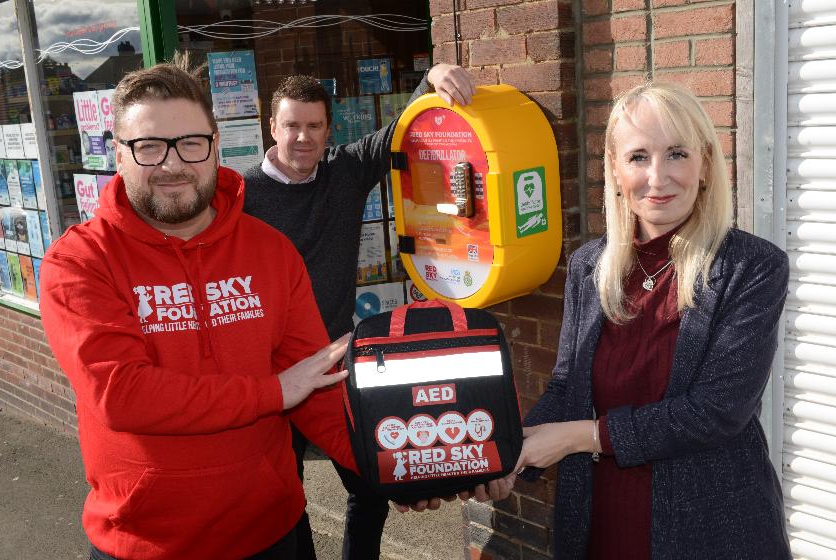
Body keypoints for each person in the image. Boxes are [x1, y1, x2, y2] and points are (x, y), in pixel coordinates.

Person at [38, 58, 359, 560]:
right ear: (119, 155)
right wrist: (271, 393)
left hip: (271, 531)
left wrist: (399, 471)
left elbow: (316, 388)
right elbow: (122, 395)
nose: (172, 165)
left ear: (215, 145)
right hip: (146, 542)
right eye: (148, 146)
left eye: (190, 143)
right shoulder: (79, 261)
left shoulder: (271, 252)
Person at [514, 82, 791, 559]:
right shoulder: (589, 267)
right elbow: (566, 387)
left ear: (704, 166)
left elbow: (717, 410)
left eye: (677, 153)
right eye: (639, 157)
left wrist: (585, 436)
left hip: (710, 529)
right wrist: (506, 460)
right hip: (599, 523)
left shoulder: (751, 266)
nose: (658, 178)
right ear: (616, 170)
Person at [242, 63, 477, 559]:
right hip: (268, 372)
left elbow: (404, 124)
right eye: (291, 125)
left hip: (333, 359)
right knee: (286, 496)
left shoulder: (343, 171)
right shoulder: (243, 198)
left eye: (314, 126)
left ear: (329, 129)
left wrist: (434, 75)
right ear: (272, 127)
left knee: (370, 483)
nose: (302, 137)